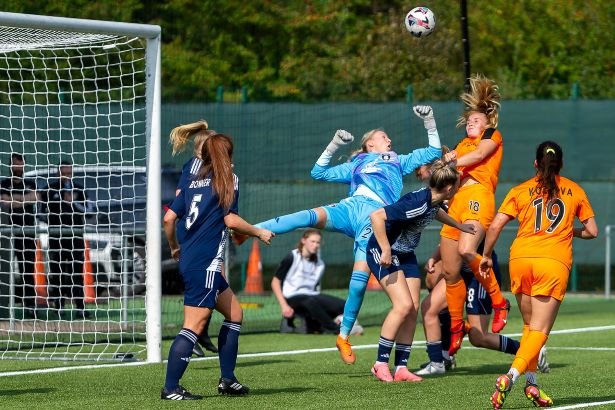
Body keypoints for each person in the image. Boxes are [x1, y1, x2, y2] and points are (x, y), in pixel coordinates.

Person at [256, 106, 442, 364]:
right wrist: (333, 145)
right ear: (370, 144)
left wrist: (429, 121)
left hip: (374, 219)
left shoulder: (398, 160)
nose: (389, 140)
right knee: (307, 216)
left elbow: (433, 152)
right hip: (350, 209)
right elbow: (317, 173)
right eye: (384, 136)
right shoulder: (356, 163)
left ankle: (343, 336)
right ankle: (253, 229)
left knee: (358, 280)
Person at [481, 141, 597, 409]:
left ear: (536, 164)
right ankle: (510, 377)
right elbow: (592, 231)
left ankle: (531, 383)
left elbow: (496, 224)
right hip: (552, 262)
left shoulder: (520, 190)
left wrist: (486, 255)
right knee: (541, 331)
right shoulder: (574, 190)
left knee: (529, 327)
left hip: (520, 259)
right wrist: (571, 231)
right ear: (561, 164)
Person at [161, 130, 274, 400]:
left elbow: (169, 218)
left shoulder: (193, 181)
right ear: (227, 155)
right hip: (207, 263)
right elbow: (231, 220)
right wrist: (259, 232)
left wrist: (175, 246)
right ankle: (171, 387)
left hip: (192, 257)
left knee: (235, 314)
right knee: (194, 325)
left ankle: (228, 379)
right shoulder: (228, 179)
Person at [367, 159, 476, 382]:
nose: (458, 188)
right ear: (449, 188)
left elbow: (435, 212)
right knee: (403, 305)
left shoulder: (433, 200)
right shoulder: (417, 201)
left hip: (405, 254)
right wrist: (386, 249)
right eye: (457, 185)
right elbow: (376, 216)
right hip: (384, 251)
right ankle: (380, 364)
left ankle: (401, 368)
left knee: (413, 308)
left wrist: (459, 225)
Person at [438, 74, 510, 356]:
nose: (471, 122)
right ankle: (456, 326)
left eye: (476, 120)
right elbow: (449, 173)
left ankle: (499, 301)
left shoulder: (491, 136)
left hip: (478, 197)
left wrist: (451, 160)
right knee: (449, 271)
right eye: (468, 120)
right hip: (457, 202)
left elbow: (479, 156)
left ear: (488, 122)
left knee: (468, 250)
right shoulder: (459, 145)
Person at [169, 119, 219, 357]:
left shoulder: (192, 165)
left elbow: (180, 197)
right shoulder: (200, 167)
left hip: (192, 231)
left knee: (213, 285)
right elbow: (181, 200)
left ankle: (200, 331)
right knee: (203, 284)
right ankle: (193, 334)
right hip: (196, 232)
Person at [271, 228, 359, 335]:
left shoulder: (320, 264)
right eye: (312, 241)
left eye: (318, 242)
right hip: (292, 297)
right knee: (310, 301)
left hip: (311, 296)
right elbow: (275, 282)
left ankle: (326, 324)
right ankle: (334, 329)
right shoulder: (292, 257)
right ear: (304, 240)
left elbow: (313, 290)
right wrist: (284, 306)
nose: (315, 245)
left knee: (344, 305)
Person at [41, 160, 91, 319]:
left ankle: (80, 307)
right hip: (56, 237)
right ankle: (59, 306)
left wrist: (73, 202)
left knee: (77, 272)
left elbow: (89, 210)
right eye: (64, 172)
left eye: (69, 172)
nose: (66, 176)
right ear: (58, 173)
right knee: (57, 272)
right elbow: (41, 212)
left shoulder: (79, 189)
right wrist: (53, 220)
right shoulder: (49, 189)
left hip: (75, 236)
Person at [0, 153, 38, 317]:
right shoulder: (4, 184)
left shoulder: (30, 183)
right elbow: (4, 201)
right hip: (8, 234)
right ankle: (5, 306)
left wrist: (15, 200)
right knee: (5, 270)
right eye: (16, 164)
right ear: (10, 166)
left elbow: (35, 198)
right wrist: (21, 200)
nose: (19, 167)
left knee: (27, 270)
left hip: (27, 232)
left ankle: (30, 305)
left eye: (21, 164)